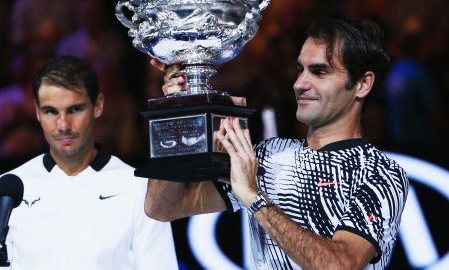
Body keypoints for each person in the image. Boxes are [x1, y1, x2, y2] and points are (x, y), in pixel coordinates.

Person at [145, 18, 408, 269]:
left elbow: (339, 266)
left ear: (362, 84)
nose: (299, 84)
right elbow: (162, 207)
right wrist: (175, 114)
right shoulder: (268, 155)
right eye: (300, 69)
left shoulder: (381, 172)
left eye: (319, 71)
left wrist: (254, 198)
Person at [0, 56, 178, 270]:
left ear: (98, 105)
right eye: (51, 111)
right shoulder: (5, 190)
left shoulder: (138, 187)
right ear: (37, 112)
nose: (63, 125)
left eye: (74, 109)